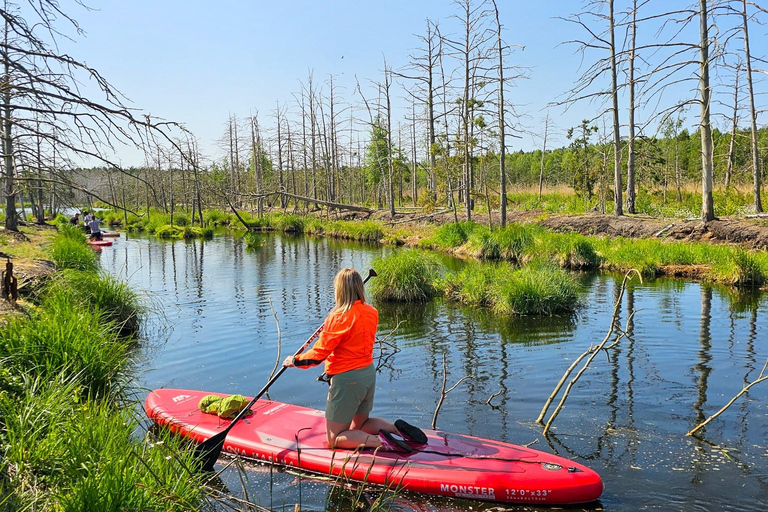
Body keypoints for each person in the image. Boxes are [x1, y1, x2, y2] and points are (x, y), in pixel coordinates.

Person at [283, 268, 427, 453]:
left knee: (335, 438)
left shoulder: (338, 317)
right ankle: (395, 429)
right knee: (361, 424)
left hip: (347, 380)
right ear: (360, 287)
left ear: (339, 290)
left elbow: (319, 354)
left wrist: (295, 361)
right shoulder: (371, 312)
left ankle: (382, 442)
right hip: (367, 374)